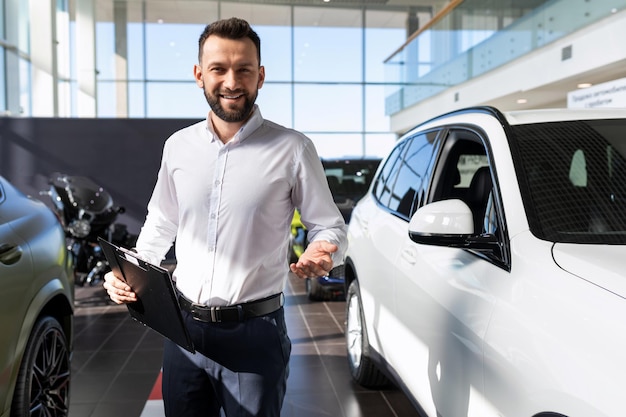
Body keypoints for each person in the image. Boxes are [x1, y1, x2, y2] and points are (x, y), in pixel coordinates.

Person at [103, 17, 347, 417]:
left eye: (244, 69)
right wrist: (128, 274)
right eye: (218, 68)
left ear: (260, 76)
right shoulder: (178, 147)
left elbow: (329, 224)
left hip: (255, 334)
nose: (231, 81)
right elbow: (162, 222)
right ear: (199, 75)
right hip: (184, 331)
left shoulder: (293, 148)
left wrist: (325, 248)